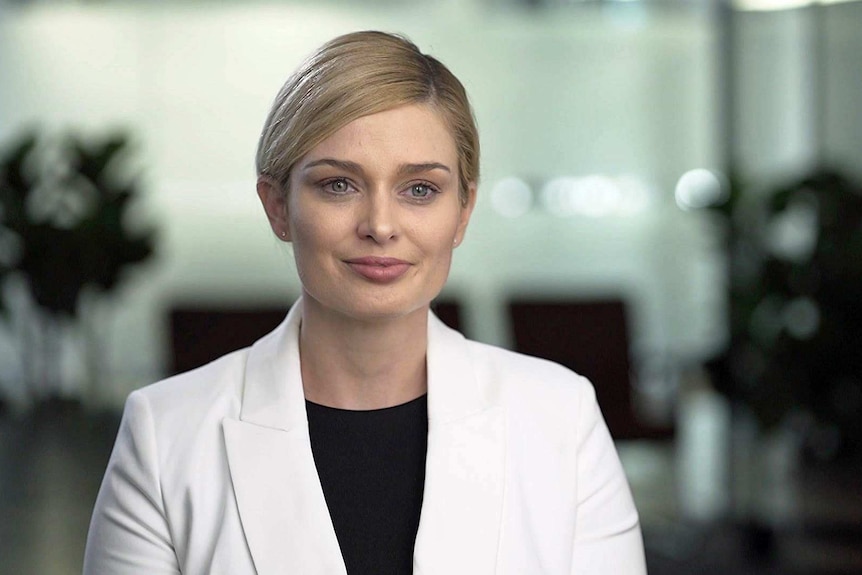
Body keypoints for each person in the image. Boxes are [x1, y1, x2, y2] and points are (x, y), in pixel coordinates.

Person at [83, 31, 646, 575]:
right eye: (338, 184)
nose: (380, 225)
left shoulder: (560, 419)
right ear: (278, 206)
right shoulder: (166, 434)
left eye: (420, 189)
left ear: (464, 211)